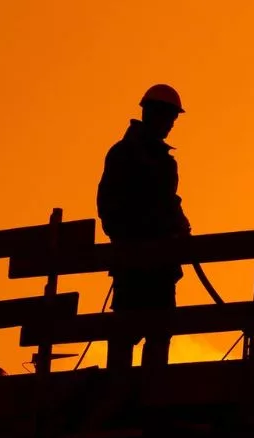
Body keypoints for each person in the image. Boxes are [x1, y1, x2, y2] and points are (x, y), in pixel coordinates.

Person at [97, 84, 191, 369]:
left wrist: (180, 224)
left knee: (159, 333)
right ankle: (123, 391)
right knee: (126, 334)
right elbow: (109, 208)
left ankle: (153, 390)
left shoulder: (163, 162)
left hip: (160, 266)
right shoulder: (124, 155)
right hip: (133, 264)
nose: (170, 125)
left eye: (173, 119)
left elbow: (168, 202)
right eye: (168, 118)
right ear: (151, 114)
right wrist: (136, 239)